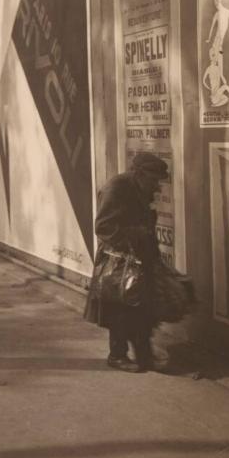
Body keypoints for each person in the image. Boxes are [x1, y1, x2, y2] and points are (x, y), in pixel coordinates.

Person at [84, 152, 169, 372]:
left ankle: (144, 355)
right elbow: (103, 228)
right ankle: (117, 355)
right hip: (119, 260)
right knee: (120, 307)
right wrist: (136, 235)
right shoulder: (117, 188)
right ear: (139, 174)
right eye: (154, 181)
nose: (157, 188)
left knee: (143, 307)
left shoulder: (138, 187)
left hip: (140, 257)